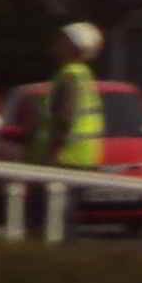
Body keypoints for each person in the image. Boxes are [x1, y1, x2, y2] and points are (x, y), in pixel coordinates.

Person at [41, 20, 111, 188]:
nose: (56, 43)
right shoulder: (83, 74)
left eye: (62, 39)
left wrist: (53, 153)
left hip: (66, 159)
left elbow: (65, 118)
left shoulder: (70, 75)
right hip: (82, 158)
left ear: (74, 47)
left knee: (55, 211)